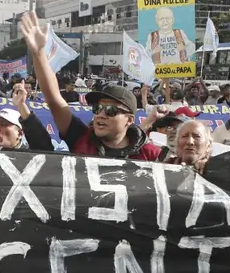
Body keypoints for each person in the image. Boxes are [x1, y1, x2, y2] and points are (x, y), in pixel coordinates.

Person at [20, 12, 161, 161]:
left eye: (110, 111)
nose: (100, 115)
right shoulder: (81, 137)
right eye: (97, 109)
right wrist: (38, 53)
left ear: (129, 119)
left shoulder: (150, 155)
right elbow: (54, 100)